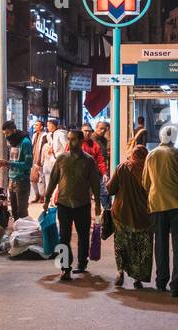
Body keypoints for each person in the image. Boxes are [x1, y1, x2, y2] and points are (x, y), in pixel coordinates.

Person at [142, 124, 178, 296]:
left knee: (160, 243)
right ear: (175, 138)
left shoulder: (151, 154)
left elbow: (145, 183)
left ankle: (161, 281)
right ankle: (177, 284)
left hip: (157, 204)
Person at [44, 130, 102, 281]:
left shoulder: (88, 161)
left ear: (81, 141)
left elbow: (95, 183)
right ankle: (65, 268)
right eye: (69, 139)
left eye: (74, 139)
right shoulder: (62, 158)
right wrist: (46, 199)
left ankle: (82, 263)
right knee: (64, 237)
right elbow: (53, 180)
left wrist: (98, 203)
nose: (71, 142)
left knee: (83, 237)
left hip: (82, 204)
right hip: (64, 203)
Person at [107, 141, 153, 288]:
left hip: (122, 214)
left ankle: (120, 271)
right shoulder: (149, 170)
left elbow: (110, 189)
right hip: (143, 216)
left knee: (121, 245)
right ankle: (137, 278)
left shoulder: (123, 168)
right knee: (141, 248)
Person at [0, 120, 32, 220]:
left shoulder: (25, 142)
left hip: (22, 181)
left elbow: (28, 164)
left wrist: (10, 163)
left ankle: (23, 234)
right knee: (14, 211)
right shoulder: (13, 142)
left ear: (14, 130)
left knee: (21, 212)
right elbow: (14, 159)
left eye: (7, 133)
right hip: (12, 180)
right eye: (4, 134)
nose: (6, 136)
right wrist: (5, 163)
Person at [29, 118, 50, 203]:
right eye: (35, 125)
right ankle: (37, 195)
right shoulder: (34, 135)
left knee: (41, 178)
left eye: (37, 125)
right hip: (33, 157)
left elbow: (44, 148)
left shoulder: (45, 135)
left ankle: (42, 196)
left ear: (41, 127)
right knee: (33, 178)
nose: (35, 126)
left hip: (41, 159)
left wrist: (41, 160)